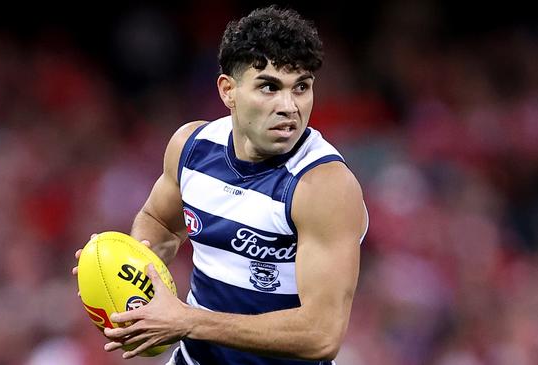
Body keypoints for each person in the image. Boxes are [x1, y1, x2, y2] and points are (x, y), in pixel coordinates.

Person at [73, 5, 368, 365]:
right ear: (228, 91)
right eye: (269, 87)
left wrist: (187, 321)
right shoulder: (191, 147)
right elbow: (161, 222)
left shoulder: (323, 186)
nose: (289, 106)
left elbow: (321, 335)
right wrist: (126, 271)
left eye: (301, 87)